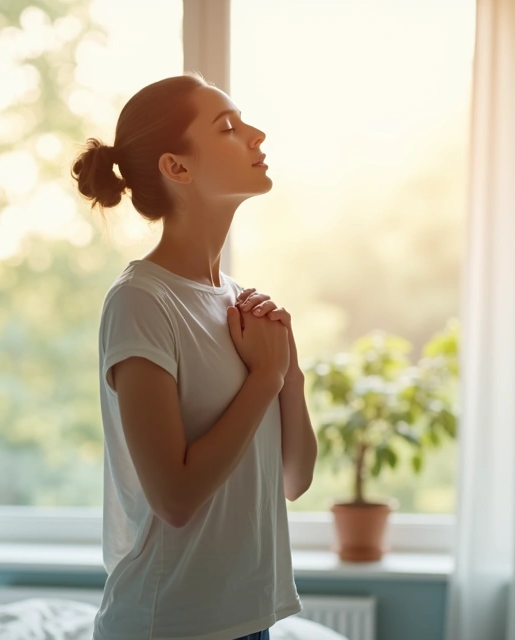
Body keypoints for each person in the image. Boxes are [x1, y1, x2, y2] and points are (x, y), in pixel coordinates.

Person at [70, 73, 319, 640]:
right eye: (228, 127)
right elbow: (174, 498)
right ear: (176, 167)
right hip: (170, 625)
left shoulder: (239, 303)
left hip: (250, 619)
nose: (256, 135)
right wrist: (264, 377)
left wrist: (289, 373)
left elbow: (294, 478)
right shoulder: (141, 300)